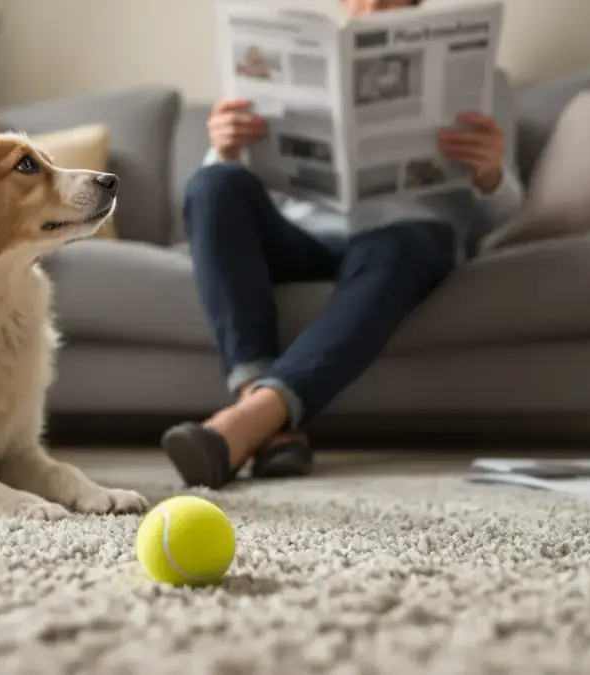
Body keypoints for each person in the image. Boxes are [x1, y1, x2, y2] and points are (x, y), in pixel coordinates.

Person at [163, 0, 523, 489]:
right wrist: (223, 149)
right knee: (210, 185)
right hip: (304, 237)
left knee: (407, 242)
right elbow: (222, 205)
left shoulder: (487, 82)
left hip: (404, 242)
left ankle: (249, 423)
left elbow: (504, 214)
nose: (374, 7)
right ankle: (262, 415)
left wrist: (490, 173)